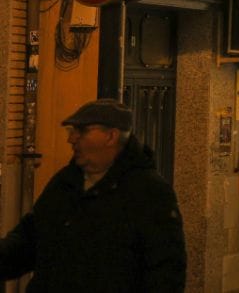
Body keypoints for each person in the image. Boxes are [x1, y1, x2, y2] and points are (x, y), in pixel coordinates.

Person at [0, 99, 186, 291]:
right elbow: (29, 240)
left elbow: (166, 271)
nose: (71, 139)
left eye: (81, 131)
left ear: (111, 136)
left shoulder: (148, 192)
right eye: (71, 131)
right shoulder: (66, 183)